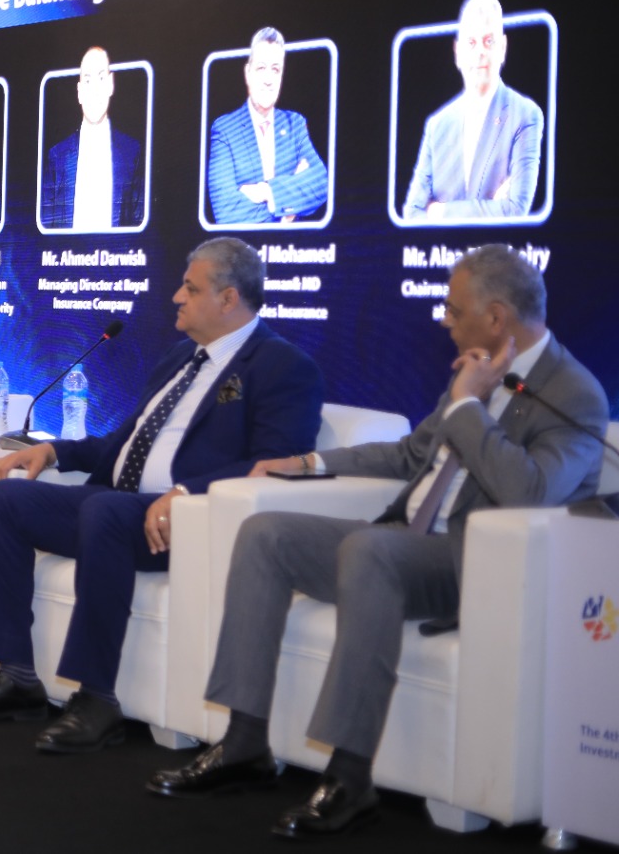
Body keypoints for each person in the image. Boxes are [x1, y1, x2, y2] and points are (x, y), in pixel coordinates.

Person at [149, 244, 604, 839]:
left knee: (371, 549)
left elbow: (532, 490)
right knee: (266, 532)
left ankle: (350, 776)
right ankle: (244, 741)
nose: (444, 319)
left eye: (453, 308)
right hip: (401, 542)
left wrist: (469, 405)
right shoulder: (477, 368)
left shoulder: (571, 391)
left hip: (475, 563)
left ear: (496, 317)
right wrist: (310, 462)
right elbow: (412, 454)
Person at [0, 238, 324, 755]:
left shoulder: (282, 366)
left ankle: (97, 699)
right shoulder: (180, 358)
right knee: (6, 501)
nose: (176, 297)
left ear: (229, 298)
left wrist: (186, 491)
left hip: (189, 521)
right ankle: (15, 676)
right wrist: (54, 451)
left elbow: (275, 462)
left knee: (105, 510)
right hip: (115, 510)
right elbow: (127, 442)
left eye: (190, 288)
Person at [401, 0, 544, 223]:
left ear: (503, 48)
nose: (480, 52)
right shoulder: (438, 125)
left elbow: (514, 209)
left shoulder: (525, 114)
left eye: (489, 41)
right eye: (471, 43)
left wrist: (439, 211)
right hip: (441, 249)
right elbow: (412, 213)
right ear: (457, 52)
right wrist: (490, 208)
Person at [207, 29, 329, 225]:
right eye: (261, 68)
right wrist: (290, 205)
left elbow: (321, 185)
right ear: (248, 73)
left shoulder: (295, 123)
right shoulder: (225, 129)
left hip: (295, 244)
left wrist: (267, 191)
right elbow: (226, 213)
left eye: (275, 69)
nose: (268, 80)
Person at [40, 47, 145, 231]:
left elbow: (139, 225)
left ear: (111, 84)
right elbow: (46, 230)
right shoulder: (57, 156)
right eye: (88, 80)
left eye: (101, 78)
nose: (95, 90)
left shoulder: (132, 152)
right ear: (79, 92)